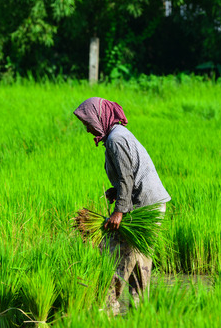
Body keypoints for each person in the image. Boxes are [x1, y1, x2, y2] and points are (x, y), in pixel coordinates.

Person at [73, 97, 171, 315]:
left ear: (99, 118)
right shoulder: (117, 135)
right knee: (139, 261)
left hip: (144, 207)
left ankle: (108, 310)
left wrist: (119, 211)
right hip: (149, 204)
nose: (88, 129)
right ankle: (140, 311)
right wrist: (116, 191)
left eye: (88, 122)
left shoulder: (116, 140)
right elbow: (130, 176)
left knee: (117, 257)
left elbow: (127, 178)